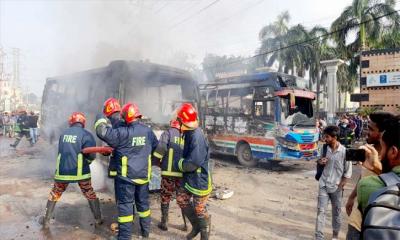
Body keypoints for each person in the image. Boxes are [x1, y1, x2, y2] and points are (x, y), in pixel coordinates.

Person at [95, 102, 158, 239]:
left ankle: (124, 237)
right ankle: (145, 233)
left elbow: (102, 131)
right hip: (143, 176)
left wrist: (100, 116)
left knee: (125, 207)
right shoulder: (147, 131)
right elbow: (154, 147)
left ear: (125, 118)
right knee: (143, 205)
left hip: (126, 179)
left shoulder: (122, 133)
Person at [40, 112, 102, 228]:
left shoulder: (63, 134)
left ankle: (46, 220)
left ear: (71, 122)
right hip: (80, 172)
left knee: (55, 193)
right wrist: (87, 163)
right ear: (83, 122)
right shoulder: (86, 134)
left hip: (62, 172)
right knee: (89, 193)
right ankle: (98, 219)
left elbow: (61, 152)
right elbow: (92, 155)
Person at [345, 112, 394, 240]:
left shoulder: (392, 157)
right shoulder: (368, 151)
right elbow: (363, 177)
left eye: (371, 129)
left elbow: (394, 182)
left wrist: (376, 167)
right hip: (356, 222)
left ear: (383, 133)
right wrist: (351, 197)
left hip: (378, 224)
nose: (366, 131)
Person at [175, 103, 212, 240]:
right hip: (191, 179)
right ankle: (196, 226)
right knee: (181, 199)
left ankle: (204, 233)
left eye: (179, 120)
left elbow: (193, 163)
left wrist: (179, 164)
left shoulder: (196, 136)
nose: (177, 122)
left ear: (183, 121)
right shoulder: (189, 133)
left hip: (199, 179)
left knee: (199, 209)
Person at [315, 125, 352, 240]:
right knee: (321, 212)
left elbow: (347, 173)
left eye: (327, 137)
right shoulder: (324, 149)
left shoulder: (345, 152)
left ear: (335, 137)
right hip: (324, 184)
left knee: (336, 213)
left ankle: (335, 235)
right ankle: (319, 237)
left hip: (336, 187)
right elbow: (319, 161)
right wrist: (320, 162)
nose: (325, 139)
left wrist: (340, 186)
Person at [357, 115, 400, 212]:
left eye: (371, 129)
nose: (367, 133)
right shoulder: (370, 154)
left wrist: (378, 168)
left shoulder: (367, 186)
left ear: (393, 152)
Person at [153, 118, 184, 231]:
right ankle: (186, 225)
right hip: (182, 174)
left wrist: (156, 161)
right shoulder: (185, 135)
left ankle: (164, 222)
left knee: (165, 196)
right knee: (183, 198)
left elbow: (160, 148)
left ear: (171, 124)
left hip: (168, 173)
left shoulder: (167, 133)